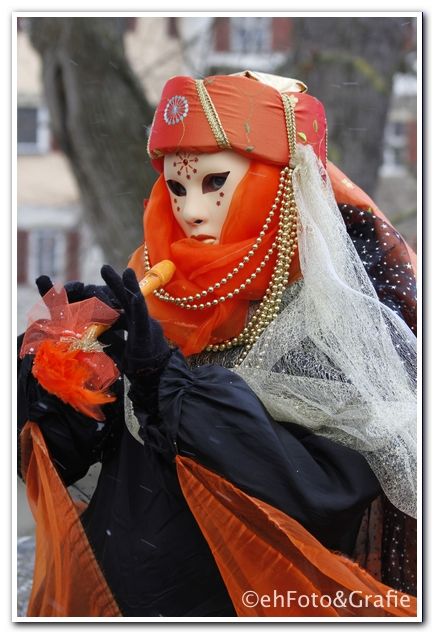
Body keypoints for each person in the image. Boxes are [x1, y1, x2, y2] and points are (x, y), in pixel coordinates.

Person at [17, 71, 417, 618]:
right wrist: (56, 376)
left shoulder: (338, 323)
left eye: (215, 183)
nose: (191, 211)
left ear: (279, 184)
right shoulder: (156, 296)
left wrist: (171, 385)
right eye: (177, 188)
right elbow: (78, 465)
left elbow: (318, 494)